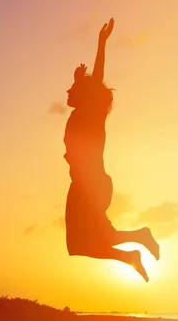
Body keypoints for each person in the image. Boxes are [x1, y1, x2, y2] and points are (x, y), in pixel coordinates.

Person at [63, 18, 160, 282]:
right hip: (81, 185)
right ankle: (132, 252)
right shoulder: (80, 115)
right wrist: (77, 79)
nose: (68, 92)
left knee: (95, 239)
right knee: (80, 245)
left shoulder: (92, 115)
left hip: (92, 184)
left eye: (73, 89)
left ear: (85, 95)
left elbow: (97, 79)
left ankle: (137, 244)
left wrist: (101, 42)